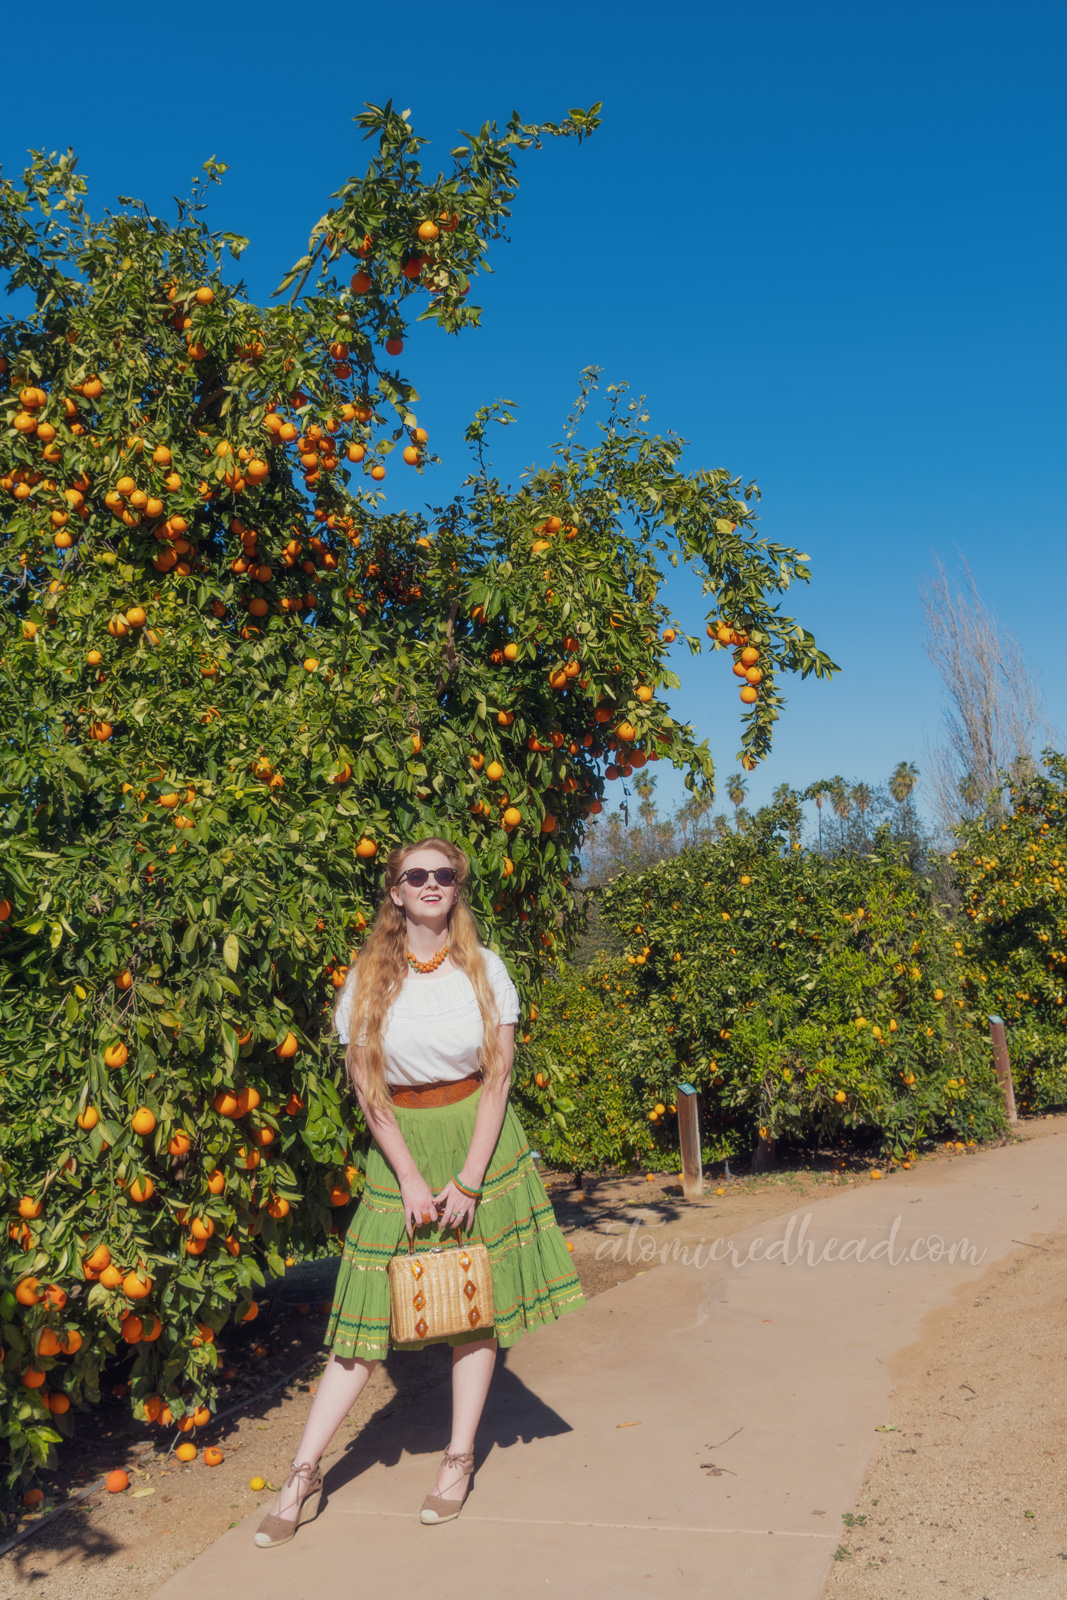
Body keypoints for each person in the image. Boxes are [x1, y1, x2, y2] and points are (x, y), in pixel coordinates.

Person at [254, 836, 585, 1547]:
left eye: (444, 874)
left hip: (479, 1142)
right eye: (416, 875)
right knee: (363, 1322)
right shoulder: (368, 978)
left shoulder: (486, 970)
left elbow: (497, 1079)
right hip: (399, 1142)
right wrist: (406, 1174)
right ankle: (304, 1471)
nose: (431, 883)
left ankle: (457, 1460)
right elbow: (366, 1085)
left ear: (456, 888)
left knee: (473, 1309)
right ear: (396, 892)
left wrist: (469, 1175)